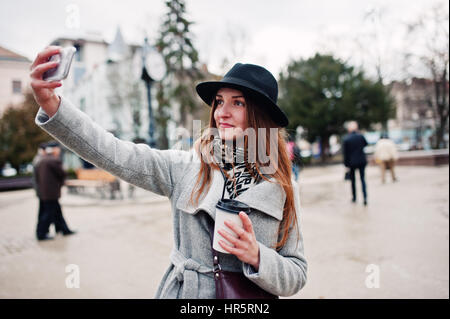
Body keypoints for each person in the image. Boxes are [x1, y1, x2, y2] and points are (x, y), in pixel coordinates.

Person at [30, 46, 307, 298]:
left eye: (238, 103)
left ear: (261, 117)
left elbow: (296, 273)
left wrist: (258, 256)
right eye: (219, 102)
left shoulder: (282, 186)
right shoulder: (186, 167)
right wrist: (53, 105)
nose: (222, 112)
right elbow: (113, 152)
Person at [34, 141, 76, 240]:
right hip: (51, 193)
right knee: (48, 214)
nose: (59, 151)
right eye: (58, 149)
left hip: (44, 192)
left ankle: (64, 230)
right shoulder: (53, 160)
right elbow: (63, 173)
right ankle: (41, 234)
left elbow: (36, 177)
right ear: (55, 149)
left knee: (56, 212)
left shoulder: (41, 160)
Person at [343, 121, 368, 205]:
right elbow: (365, 144)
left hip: (352, 162)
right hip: (361, 161)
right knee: (362, 179)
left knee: (353, 181)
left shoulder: (346, 138)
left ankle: (354, 198)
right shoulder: (361, 136)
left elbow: (345, 153)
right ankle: (365, 197)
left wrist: (346, 165)